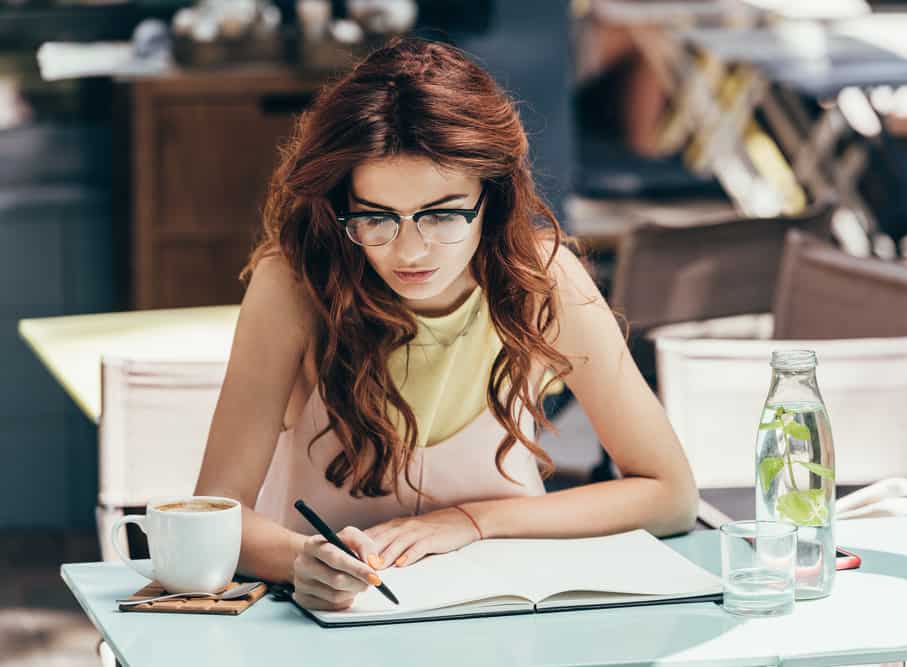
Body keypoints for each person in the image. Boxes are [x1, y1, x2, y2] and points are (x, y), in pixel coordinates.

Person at [194, 37, 697, 612]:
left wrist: (473, 522)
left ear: (493, 193)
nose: (410, 250)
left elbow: (671, 496)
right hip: (341, 627)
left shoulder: (543, 280)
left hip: (510, 618)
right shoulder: (293, 285)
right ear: (341, 208)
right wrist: (298, 560)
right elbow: (216, 510)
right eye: (376, 217)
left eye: (442, 214)